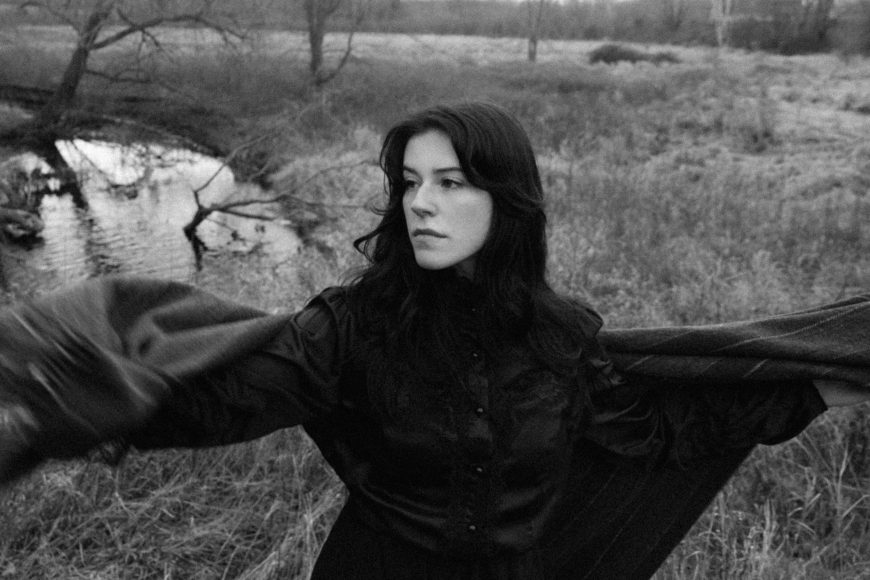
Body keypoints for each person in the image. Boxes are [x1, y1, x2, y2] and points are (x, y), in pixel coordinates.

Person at [1, 101, 869, 579]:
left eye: (451, 182)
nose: (420, 203)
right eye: (410, 182)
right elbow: (231, 398)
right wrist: (79, 399)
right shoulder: (354, 328)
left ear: (507, 199)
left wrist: (816, 386)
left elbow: (655, 431)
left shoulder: (563, 336)